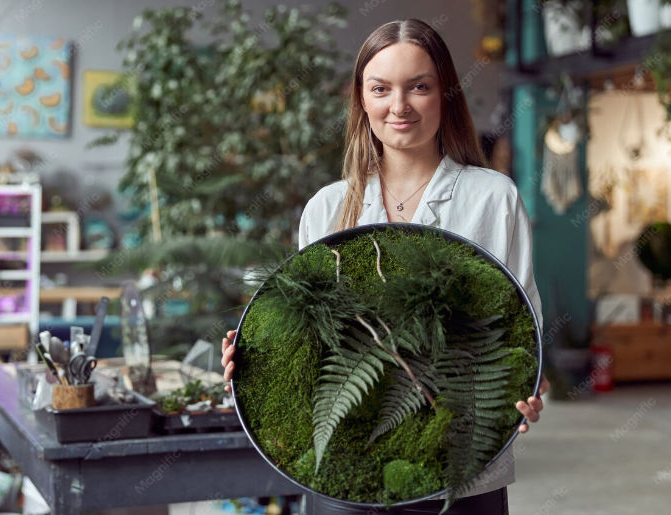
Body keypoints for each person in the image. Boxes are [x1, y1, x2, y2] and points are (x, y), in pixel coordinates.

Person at [221, 18, 549, 515]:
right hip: (343, 470)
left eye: (419, 87)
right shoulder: (327, 208)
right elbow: (307, 344)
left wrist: (526, 388)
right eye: (381, 89)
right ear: (362, 100)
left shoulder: (491, 198)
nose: (399, 106)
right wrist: (254, 357)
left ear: (446, 95)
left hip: (459, 467)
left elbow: (524, 333)